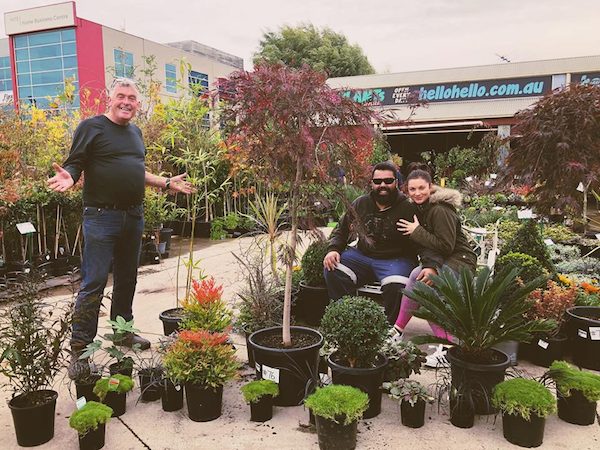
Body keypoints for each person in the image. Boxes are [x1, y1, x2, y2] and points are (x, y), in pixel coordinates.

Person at [47, 78, 194, 378]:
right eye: (121, 96)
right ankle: (80, 349)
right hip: (101, 217)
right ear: (109, 99)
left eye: (132, 98)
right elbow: (75, 162)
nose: (126, 102)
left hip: (133, 216)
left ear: (138, 104)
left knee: (127, 279)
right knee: (95, 281)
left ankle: (123, 331)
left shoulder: (135, 133)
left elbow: (135, 169)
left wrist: (165, 182)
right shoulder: (92, 127)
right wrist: (70, 177)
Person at [323, 161, 441, 324]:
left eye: (388, 181)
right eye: (378, 181)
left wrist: (430, 265)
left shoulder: (408, 207)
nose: (383, 185)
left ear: (397, 182)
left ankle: (388, 331)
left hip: (397, 260)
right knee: (333, 269)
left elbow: (423, 240)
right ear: (371, 183)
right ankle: (347, 320)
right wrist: (333, 249)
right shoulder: (361, 203)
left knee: (398, 286)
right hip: (362, 256)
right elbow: (341, 230)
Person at [393, 169, 477, 342]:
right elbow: (425, 246)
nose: (417, 193)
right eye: (412, 189)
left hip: (460, 260)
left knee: (427, 289)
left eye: (421, 188)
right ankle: (398, 329)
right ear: (407, 191)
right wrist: (429, 266)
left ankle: (447, 343)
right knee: (416, 275)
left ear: (430, 187)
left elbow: (446, 246)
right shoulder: (421, 208)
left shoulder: (439, 210)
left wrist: (417, 232)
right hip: (444, 259)